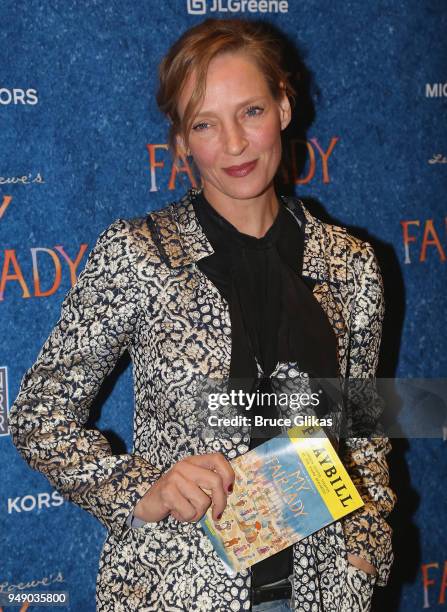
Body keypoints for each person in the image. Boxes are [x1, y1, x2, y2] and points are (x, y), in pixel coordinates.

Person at [8, 18, 396, 612]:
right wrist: (147, 490)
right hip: (177, 591)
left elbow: (364, 432)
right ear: (182, 142)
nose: (235, 145)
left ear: (284, 107)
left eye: (251, 112)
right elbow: (39, 415)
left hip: (323, 591)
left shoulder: (350, 265)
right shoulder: (138, 255)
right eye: (205, 124)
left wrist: (366, 551)